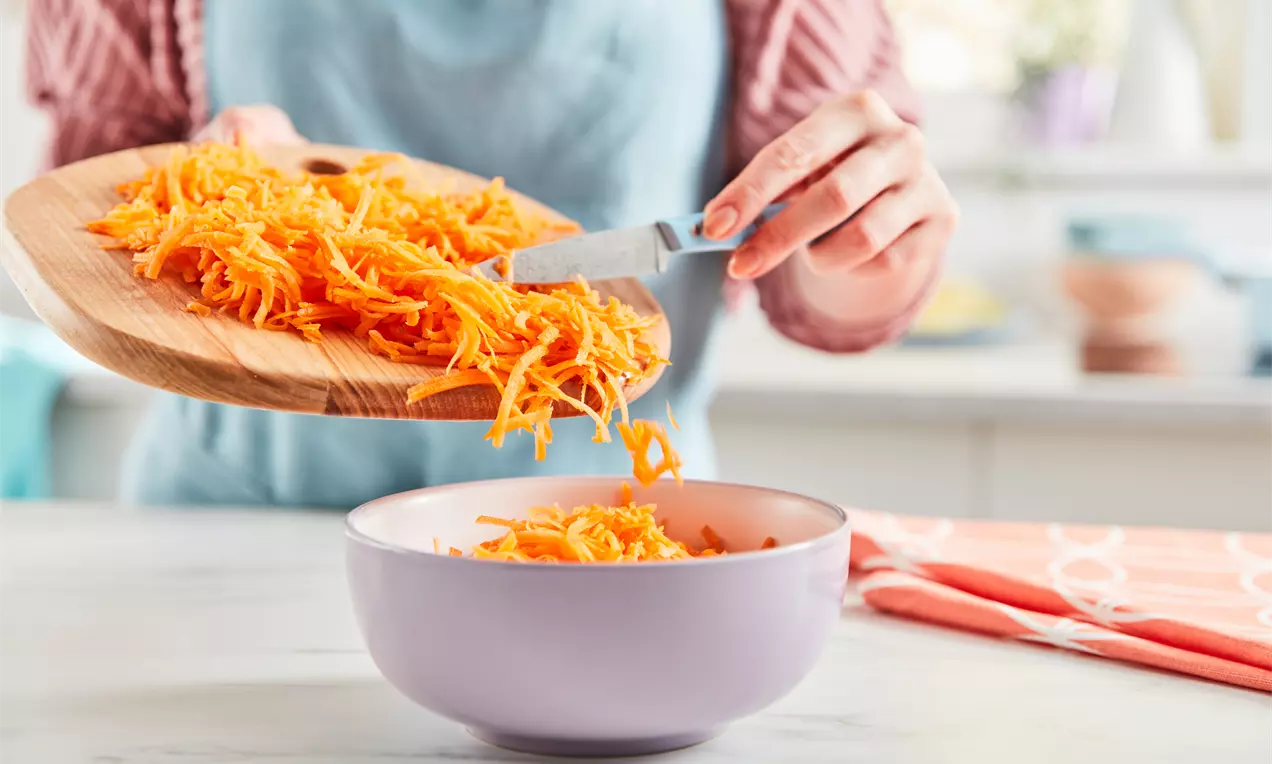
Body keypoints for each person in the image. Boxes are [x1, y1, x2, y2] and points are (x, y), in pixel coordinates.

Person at [26, 0, 957, 508]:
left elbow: (820, 293)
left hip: (609, 536)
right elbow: (85, 236)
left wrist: (871, 247)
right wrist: (196, 195)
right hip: (235, 528)